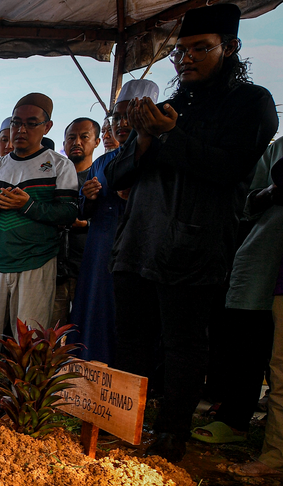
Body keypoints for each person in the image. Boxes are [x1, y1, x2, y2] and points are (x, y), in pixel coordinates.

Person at [105, 3, 278, 461]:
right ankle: (125, 424)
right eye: (180, 51)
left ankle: (172, 434)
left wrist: (169, 135)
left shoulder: (251, 103)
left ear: (231, 48)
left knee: (183, 344)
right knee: (133, 340)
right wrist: (144, 136)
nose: (187, 58)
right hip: (138, 243)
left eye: (201, 48)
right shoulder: (170, 104)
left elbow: (230, 169)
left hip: (195, 245)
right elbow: (117, 176)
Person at [0, 93, 78, 392]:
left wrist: (27, 205)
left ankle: (23, 397)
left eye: (31, 123)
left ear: (47, 126)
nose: (21, 130)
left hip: (36, 261)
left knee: (28, 337)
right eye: (16, 122)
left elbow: (68, 212)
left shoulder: (58, 166)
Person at [199, 144, 283, 452]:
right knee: (247, 341)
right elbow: (247, 203)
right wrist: (272, 192)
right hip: (263, 254)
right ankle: (235, 419)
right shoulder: (276, 151)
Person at [70, 79, 160, 364]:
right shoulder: (102, 161)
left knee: (130, 318)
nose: (122, 123)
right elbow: (84, 212)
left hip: (139, 249)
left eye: (129, 115)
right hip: (100, 249)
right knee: (95, 310)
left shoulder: (159, 156)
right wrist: (89, 196)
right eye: (117, 117)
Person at [53, 118, 101, 326]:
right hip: (55, 271)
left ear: (96, 142)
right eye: (71, 138)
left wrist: (86, 225)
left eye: (84, 137)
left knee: (87, 331)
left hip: (88, 269)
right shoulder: (52, 180)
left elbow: (115, 220)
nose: (77, 142)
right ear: (64, 143)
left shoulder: (101, 178)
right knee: (51, 335)